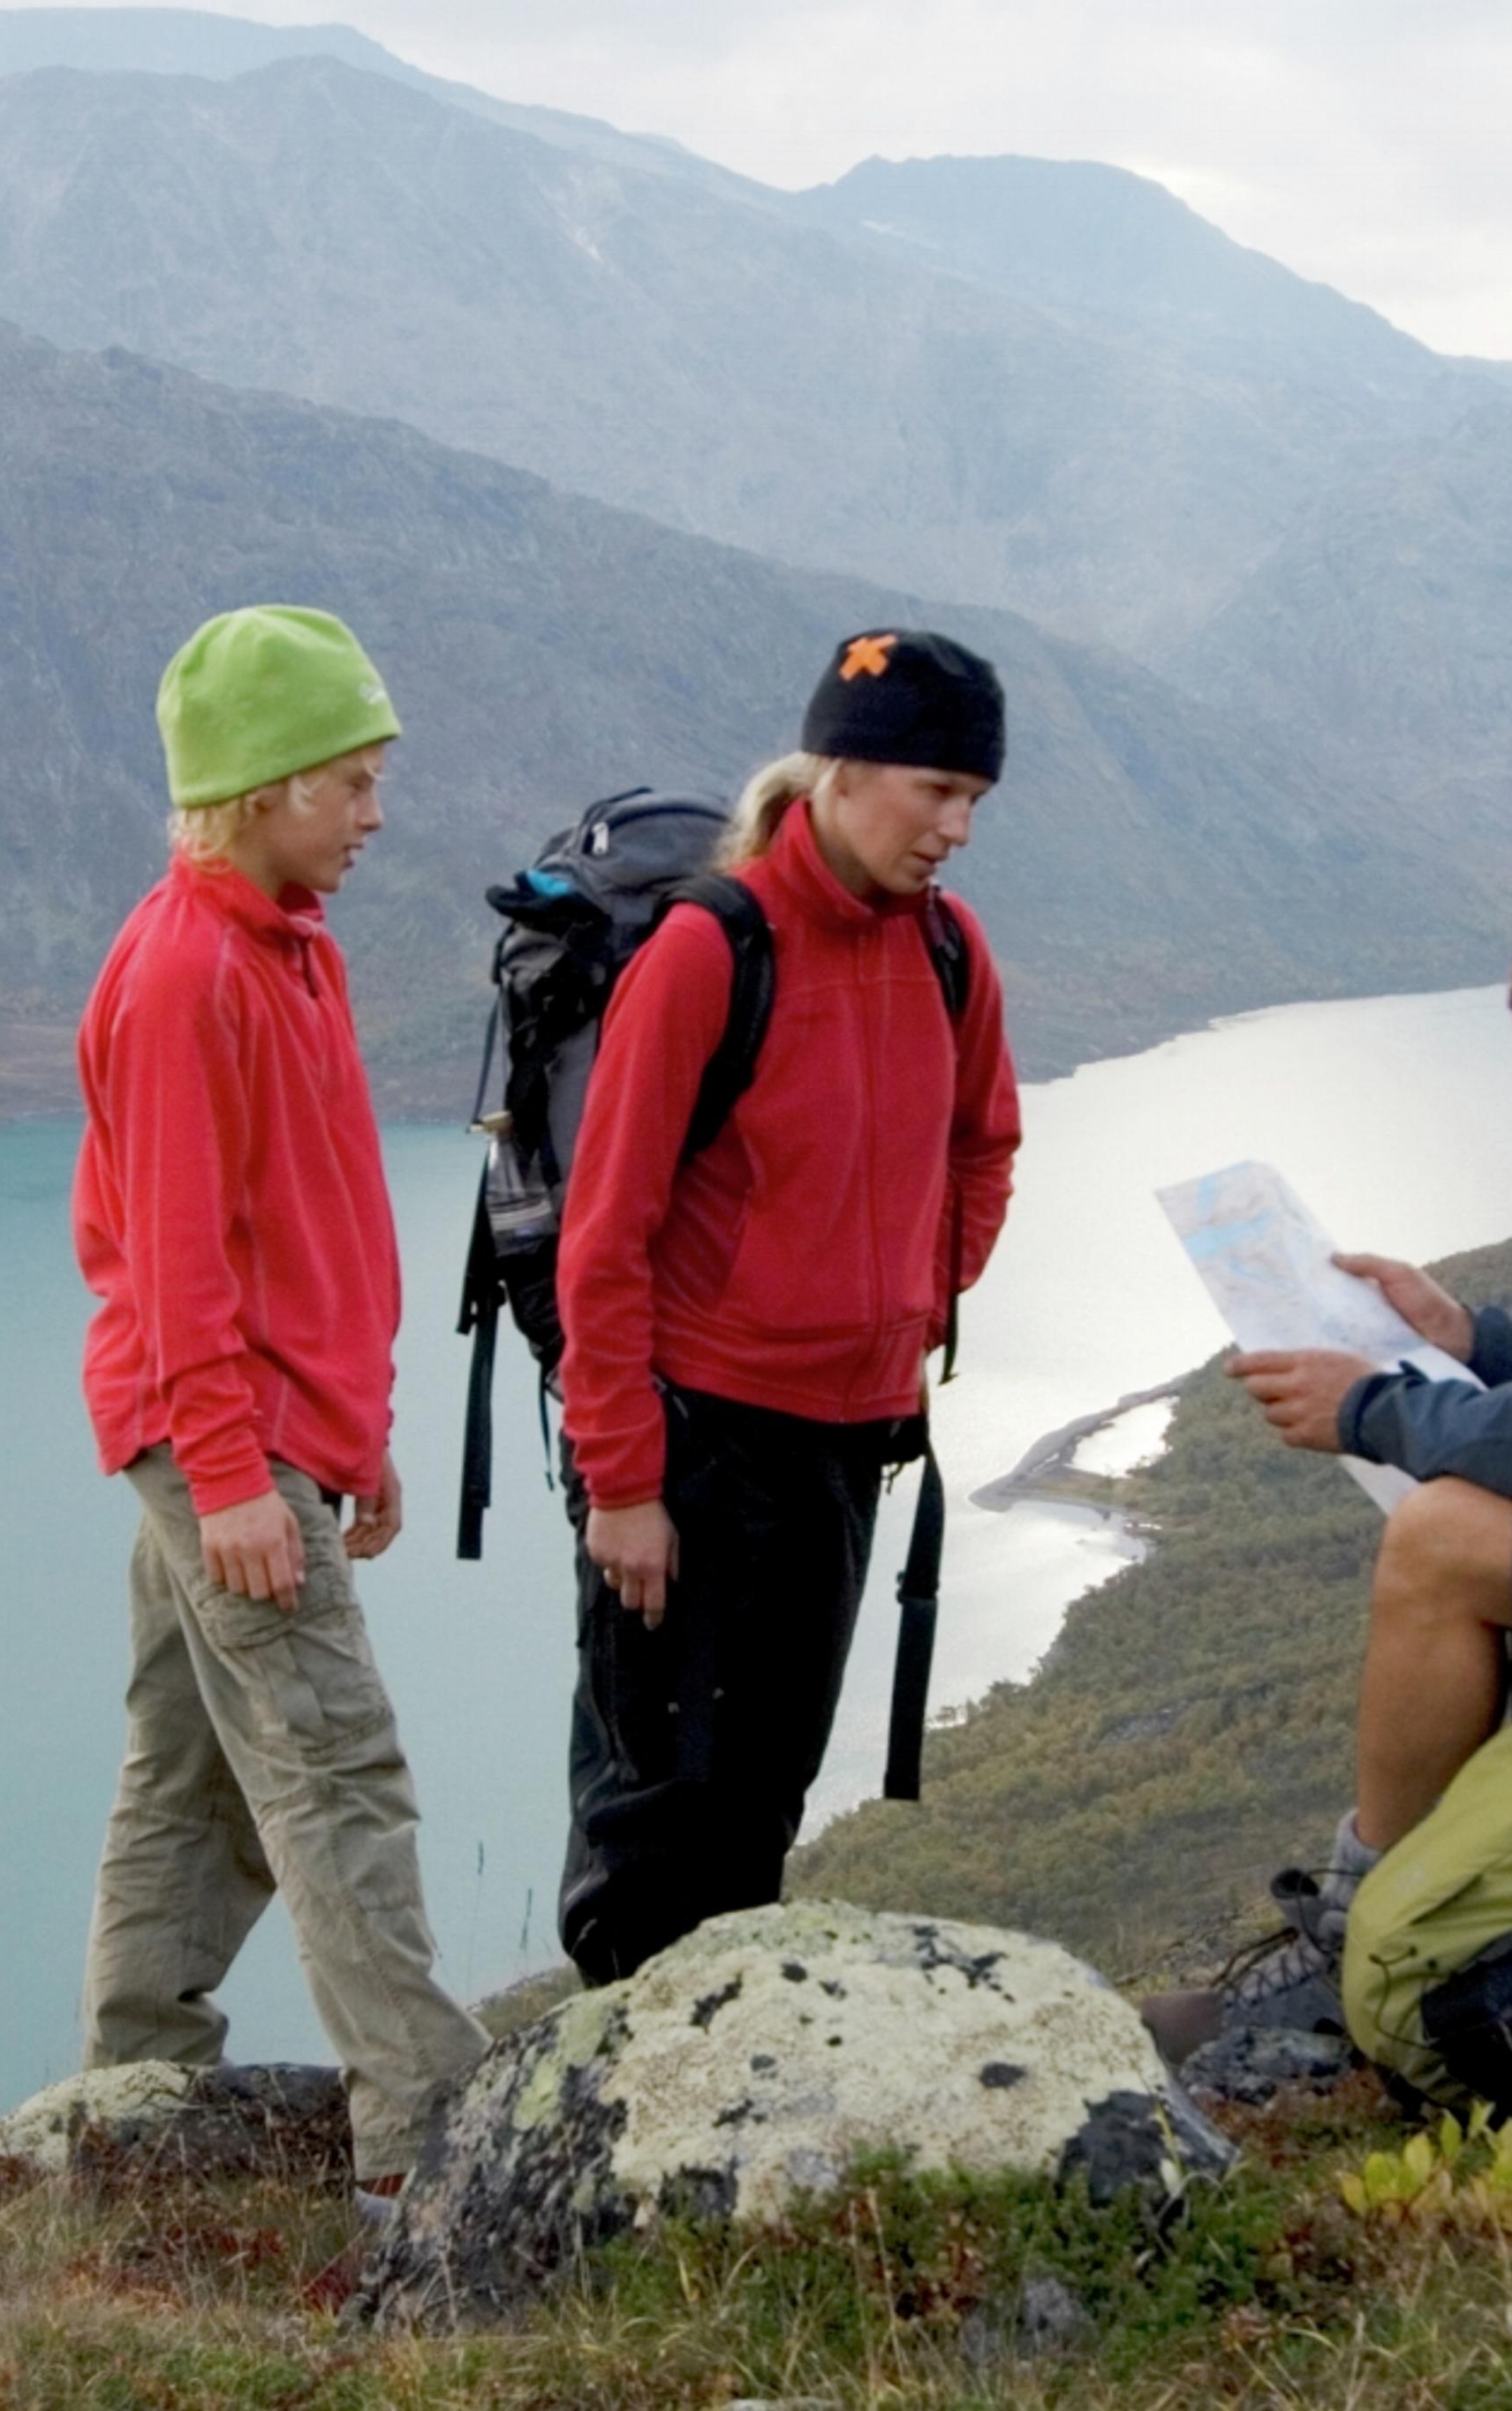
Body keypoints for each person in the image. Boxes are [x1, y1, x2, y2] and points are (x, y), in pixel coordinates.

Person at [1160, 861, 1512, 2046]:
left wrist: (1373, 1408)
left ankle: (1360, 1935)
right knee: (1478, 1518)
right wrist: (1475, 1337)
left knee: (1441, 1540)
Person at [72, 606, 486, 2191]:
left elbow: (308, 1219)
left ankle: (130, 2096)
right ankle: (424, 2132)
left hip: (270, 1431)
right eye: (350, 783)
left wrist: (355, 1429)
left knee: (190, 1770)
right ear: (258, 787)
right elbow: (176, 1261)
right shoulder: (185, 974)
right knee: (334, 1767)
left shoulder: (291, 945)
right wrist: (240, 1472)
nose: (375, 815)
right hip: (215, 1438)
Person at [553, 629, 1023, 1985]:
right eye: (938, 789)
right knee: (658, 1813)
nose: (958, 829)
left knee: (760, 1801)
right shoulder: (713, 948)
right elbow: (605, 1238)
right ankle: (610, 2135)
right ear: (845, 766)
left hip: (845, 1446)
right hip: (701, 1449)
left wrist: (913, 1300)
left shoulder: (950, 950)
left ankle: (717, 2107)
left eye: (975, 799)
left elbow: (983, 1140)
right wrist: (623, 1482)